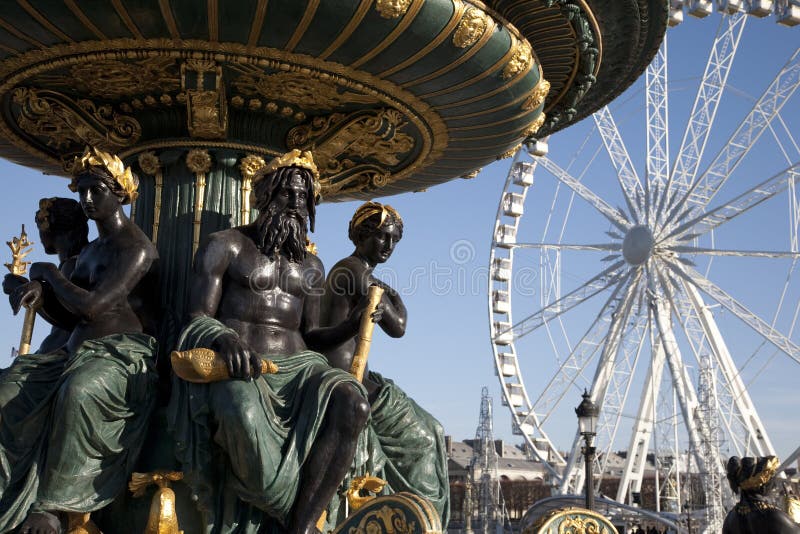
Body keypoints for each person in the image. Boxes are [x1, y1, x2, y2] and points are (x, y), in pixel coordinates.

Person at [167, 149, 378, 534]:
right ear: (263, 196)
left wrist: (354, 323)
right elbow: (196, 315)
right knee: (242, 414)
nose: (297, 204)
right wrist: (223, 337)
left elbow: (312, 335)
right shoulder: (225, 245)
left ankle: (300, 525)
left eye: (304, 198)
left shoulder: (311, 266)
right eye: (287, 194)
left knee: (354, 403)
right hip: (242, 364)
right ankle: (282, 510)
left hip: (300, 366)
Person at [0, 146, 159, 534]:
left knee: (80, 391)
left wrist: (47, 274)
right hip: (75, 349)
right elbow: (71, 317)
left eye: (97, 191)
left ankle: (54, 506)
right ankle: (8, 494)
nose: (87, 200)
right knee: (7, 388)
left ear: (120, 193)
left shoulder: (136, 248)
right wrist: (31, 291)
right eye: (82, 192)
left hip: (121, 354)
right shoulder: (90, 252)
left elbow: (94, 308)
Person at [320, 201, 450, 527]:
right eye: (382, 238)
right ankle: (421, 515)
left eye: (394, 241)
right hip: (348, 379)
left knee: (433, 431)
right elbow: (398, 327)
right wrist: (389, 296)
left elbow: (397, 322)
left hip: (358, 377)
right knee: (427, 436)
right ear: (362, 235)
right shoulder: (352, 271)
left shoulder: (357, 271)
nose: (389, 247)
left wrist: (390, 294)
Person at [2, 197, 89, 354]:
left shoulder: (73, 265)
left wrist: (21, 289)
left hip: (63, 355)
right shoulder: (74, 262)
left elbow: (69, 319)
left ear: (48, 228)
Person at [722, 456, 800, 534]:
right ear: (761, 485)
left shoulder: (730, 518)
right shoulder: (771, 516)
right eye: (770, 478)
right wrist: (793, 510)